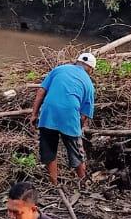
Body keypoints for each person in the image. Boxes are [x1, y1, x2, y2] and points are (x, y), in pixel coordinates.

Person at [30, 52, 98, 183]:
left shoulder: (59, 69)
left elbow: (41, 91)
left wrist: (34, 114)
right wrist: (77, 130)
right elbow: (84, 115)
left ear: (76, 61)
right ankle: (83, 181)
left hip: (48, 112)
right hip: (70, 114)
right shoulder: (89, 84)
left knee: (49, 149)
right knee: (77, 151)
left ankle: (53, 183)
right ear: (91, 69)